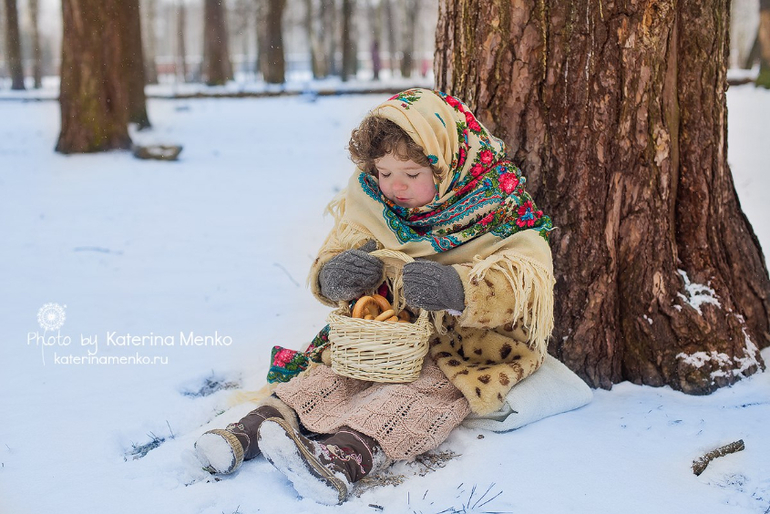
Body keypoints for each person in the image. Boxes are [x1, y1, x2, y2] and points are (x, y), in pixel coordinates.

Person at [193, 88, 555, 505]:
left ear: (446, 163)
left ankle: (342, 458)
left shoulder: (498, 204)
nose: (394, 186)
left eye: (412, 174)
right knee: (328, 377)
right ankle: (247, 433)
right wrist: (336, 276)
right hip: (380, 338)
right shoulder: (370, 201)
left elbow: (526, 286)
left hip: (463, 346)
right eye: (384, 172)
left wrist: (458, 289)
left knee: (418, 396)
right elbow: (335, 250)